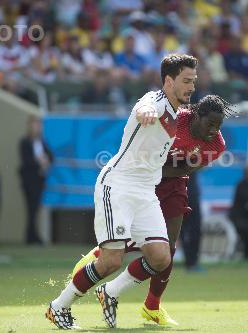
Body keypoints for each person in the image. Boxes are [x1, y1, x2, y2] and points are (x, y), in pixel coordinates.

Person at [46, 54, 198, 330]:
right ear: (168, 81)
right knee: (111, 260)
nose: (191, 87)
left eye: (193, 81)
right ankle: (58, 307)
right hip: (118, 186)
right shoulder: (154, 102)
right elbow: (144, 106)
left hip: (145, 192)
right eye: (186, 81)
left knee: (162, 257)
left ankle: (110, 292)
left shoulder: (179, 114)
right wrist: (145, 112)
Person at [70, 95, 232, 326]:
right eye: (210, 124)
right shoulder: (177, 119)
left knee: (169, 249)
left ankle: (152, 306)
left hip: (174, 183)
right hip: (141, 179)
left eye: (218, 126)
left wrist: (163, 168)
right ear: (197, 115)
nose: (213, 130)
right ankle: (100, 255)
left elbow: (186, 169)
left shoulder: (217, 144)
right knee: (136, 239)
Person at [19, 116, 54, 244]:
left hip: (40, 180)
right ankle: (31, 236)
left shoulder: (42, 141)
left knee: (35, 209)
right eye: (35, 125)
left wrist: (46, 160)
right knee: (31, 209)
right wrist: (39, 161)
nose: (37, 128)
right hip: (29, 181)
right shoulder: (24, 142)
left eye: (39, 125)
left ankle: (33, 236)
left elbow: (51, 155)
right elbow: (26, 161)